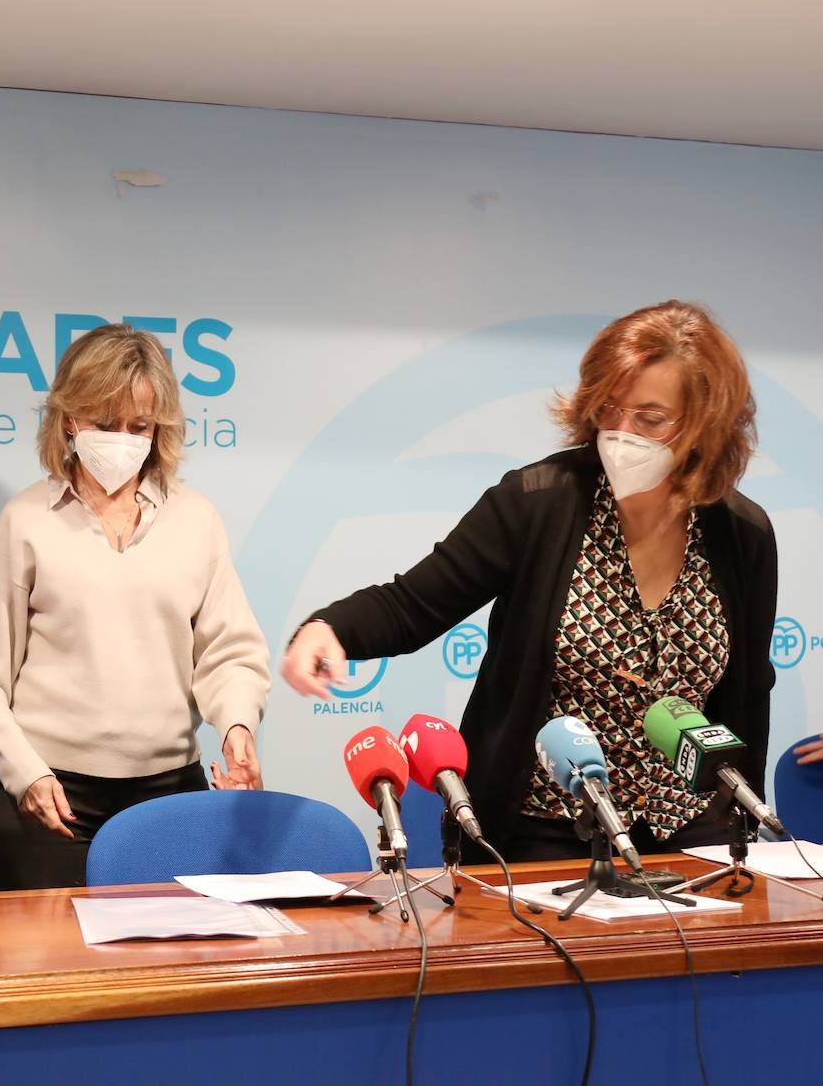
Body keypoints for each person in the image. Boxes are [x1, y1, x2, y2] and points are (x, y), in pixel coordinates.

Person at [283, 300, 776, 862]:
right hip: (544, 830)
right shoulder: (537, 502)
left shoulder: (743, 533)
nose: (620, 433)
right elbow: (414, 603)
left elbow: (748, 694)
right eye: (609, 409)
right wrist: (332, 629)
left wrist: (745, 830)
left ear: (705, 426)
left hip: (690, 830)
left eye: (650, 417)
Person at [0, 324, 271, 890]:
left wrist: (238, 724)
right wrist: (24, 773)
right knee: (55, 977)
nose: (123, 439)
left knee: (173, 977)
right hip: (46, 800)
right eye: (104, 423)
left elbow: (230, 652)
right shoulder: (27, 520)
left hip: (170, 796)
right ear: (70, 419)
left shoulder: (196, 519)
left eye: (139, 426)